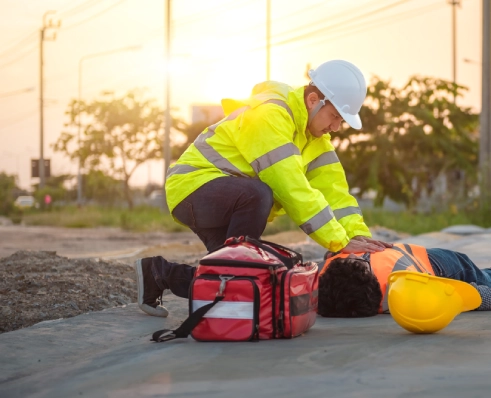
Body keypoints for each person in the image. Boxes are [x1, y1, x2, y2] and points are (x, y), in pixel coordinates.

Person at [137, 60, 393, 317]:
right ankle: (224, 283)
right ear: (314, 100)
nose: (336, 127)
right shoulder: (270, 114)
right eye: (335, 116)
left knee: (248, 280)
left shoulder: (317, 142)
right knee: (259, 194)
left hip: (226, 200)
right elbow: (289, 186)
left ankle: (159, 274)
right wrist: (338, 241)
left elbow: (337, 196)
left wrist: (360, 242)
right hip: (193, 189)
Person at [318, 244, 491, 317]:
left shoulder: (411, 286)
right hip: (420, 262)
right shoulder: (405, 291)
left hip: (429, 259)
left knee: (471, 270)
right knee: (477, 280)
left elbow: (478, 297)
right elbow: (476, 297)